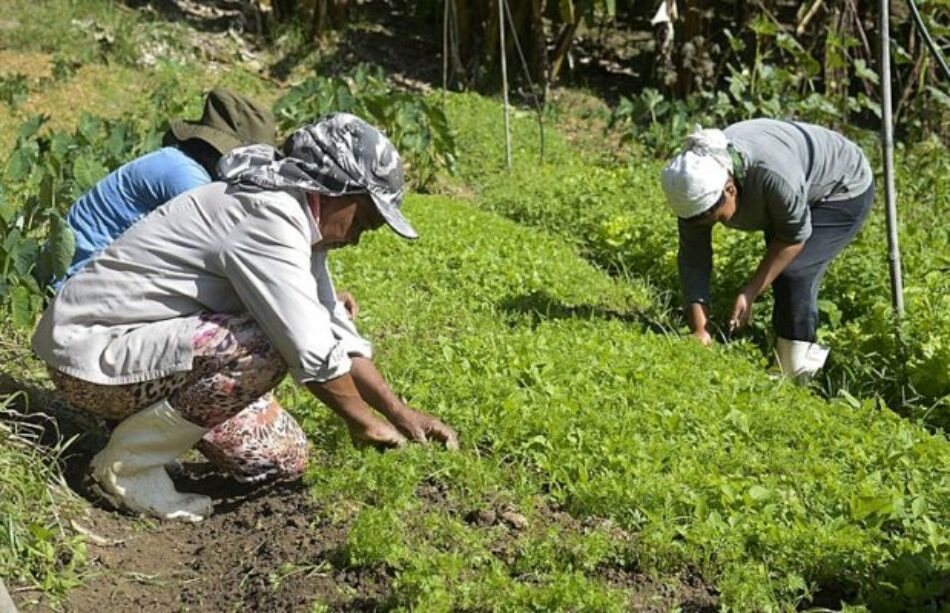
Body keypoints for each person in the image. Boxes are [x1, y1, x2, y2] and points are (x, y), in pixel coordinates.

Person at [32, 113, 458, 522]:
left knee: (279, 458)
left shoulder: (298, 219)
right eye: (362, 221)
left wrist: (400, 414)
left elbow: (334, 328)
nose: (357, 238)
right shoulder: (268, 215)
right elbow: (309, 348)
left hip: (142, 354)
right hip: (91, 358)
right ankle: (126, 470)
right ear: (331, 187)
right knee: (267, 344)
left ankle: (141, 437)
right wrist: (364, 424)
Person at [660, 119, 874, 378]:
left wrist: (749, 292)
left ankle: (796, 369)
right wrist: (700, 330)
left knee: (794, 271)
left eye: (714, 216)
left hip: (842, 185)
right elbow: (694, 259)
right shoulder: (693, 189)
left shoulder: (772, 176)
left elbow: (793, 238)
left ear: (730, 189)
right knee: (780, 267)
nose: (708, 224)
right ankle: (786, 350)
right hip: (793, 182)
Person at [57, 88, 276, 287]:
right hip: (80, 279)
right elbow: (216, 247)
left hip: (92, 271)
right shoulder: (186, 176)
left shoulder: (181, 163)